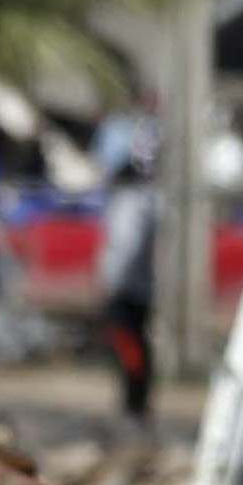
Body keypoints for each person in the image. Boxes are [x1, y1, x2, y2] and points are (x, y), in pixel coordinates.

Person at [91, 157, 158, 422]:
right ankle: (134, 401)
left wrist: (113, 282)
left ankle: (134, 403)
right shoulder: (140, 203)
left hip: (127, 289)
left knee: (128, 345)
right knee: (131, 344)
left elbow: (127, 248)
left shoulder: (131, 205)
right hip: (135, 287)